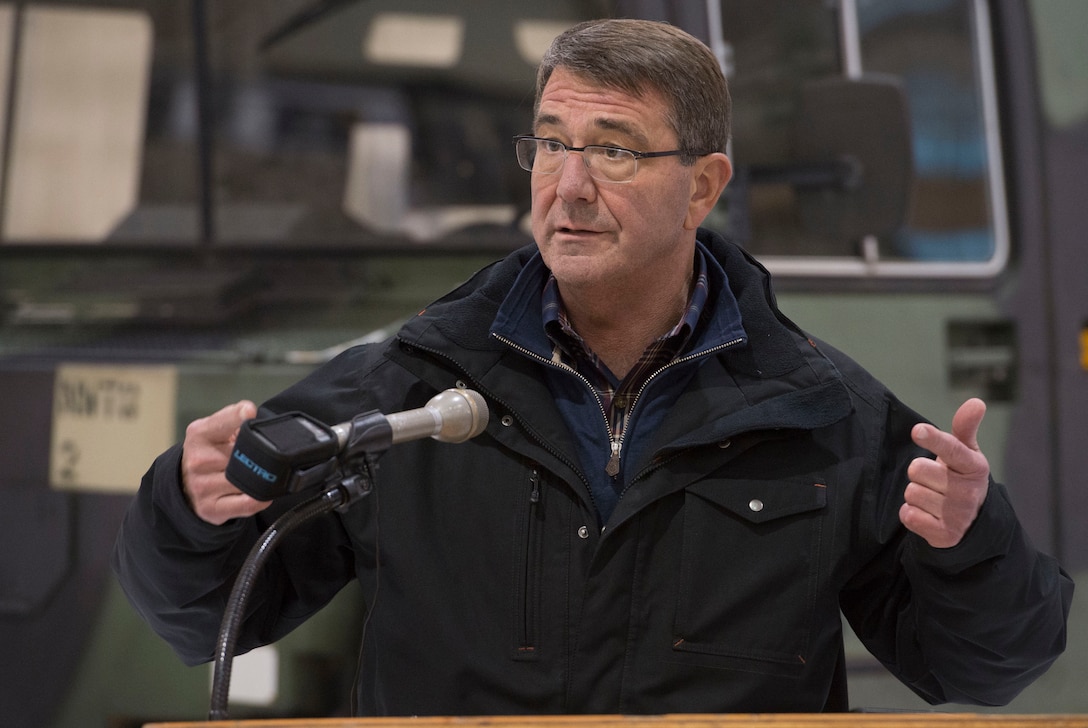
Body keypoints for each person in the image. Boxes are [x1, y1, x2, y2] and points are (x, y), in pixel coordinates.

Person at [113, 18, 1072, 715]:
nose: (567, 188)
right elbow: (204, 621)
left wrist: (970, 545)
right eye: (551, 145)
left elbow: (984, 671)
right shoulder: (404, 390)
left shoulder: (826, 414)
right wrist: (189, 510)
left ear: (702, 185)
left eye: (611, 151)